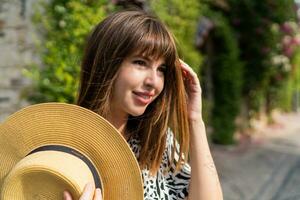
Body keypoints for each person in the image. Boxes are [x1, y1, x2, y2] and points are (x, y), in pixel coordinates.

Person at [64, 9, 223, 200]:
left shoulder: (157, 142)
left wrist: (195, 119)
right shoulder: (63, 148)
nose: (154, 82)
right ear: (106, 65)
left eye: (161, 69)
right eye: (140, 62)